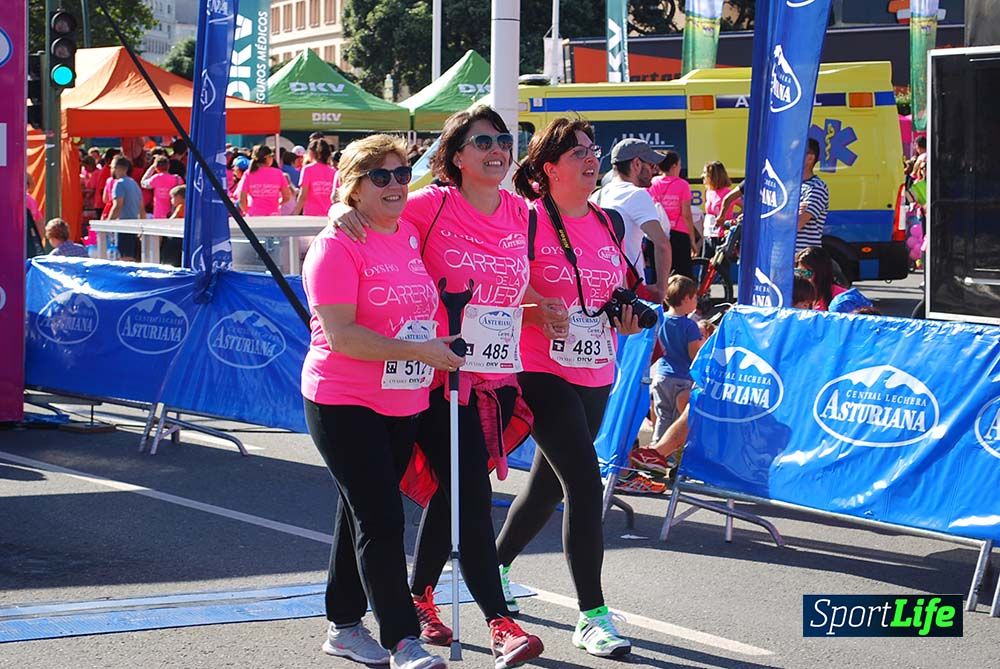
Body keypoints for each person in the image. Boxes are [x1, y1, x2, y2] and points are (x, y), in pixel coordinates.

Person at [331, 107, 547, 669]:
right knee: (418, 502)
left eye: (503, 140)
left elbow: (504, 291)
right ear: (455, 156)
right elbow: (370, 211)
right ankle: (489, 622)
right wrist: (338, 209)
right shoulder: (429, 205)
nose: (497, 149)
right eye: (483, 141)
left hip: (485, 377)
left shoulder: (521, 213)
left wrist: (539, 308)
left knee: (451, 496)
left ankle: (414, 603)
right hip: (421, 380)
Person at [303, 134, 460, 669]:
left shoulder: (406, 234)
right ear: (353, 187)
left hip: (402, 397)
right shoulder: (335, 245)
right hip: (343, 399)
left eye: (401, 174)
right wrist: (419, 350)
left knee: (361, 514)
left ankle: (344, 625)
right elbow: (342, 336)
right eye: (380, 176)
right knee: (382, 519)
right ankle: (403, 640)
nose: (395, 185)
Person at [494, 117, 639, 658]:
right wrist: (534, 308)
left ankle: (491, 568)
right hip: (539, 366)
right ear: (548, 167)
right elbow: (500, 285)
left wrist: (626, 315)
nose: (591, 158)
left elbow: (613, 291)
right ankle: (592, 616)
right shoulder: (525, 218)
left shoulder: (610, 221)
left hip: (596, 365)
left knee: (546, 487)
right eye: (577, 152)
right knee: (583, 481)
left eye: (593, 149)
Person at [630, 275, 705, 476]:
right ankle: (666, 457)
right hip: (682, 379)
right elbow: (693, 354)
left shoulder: (661, 319)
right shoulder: (689, 326)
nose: (697, 301)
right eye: (695, 297)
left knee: (662, 416)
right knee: (679, 420)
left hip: (661, 376)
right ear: (686, 298)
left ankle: (653, 452)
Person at [591, 138, 672, 302]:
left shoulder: (596, 196)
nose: (655, 171)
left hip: (599, 290)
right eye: (651, 165)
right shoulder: (636, 194)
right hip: (629, 292)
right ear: (636, 164)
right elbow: (662, 244)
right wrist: (661, 289)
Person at [648, 150, 695, 279]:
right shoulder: (683, 185)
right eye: (679, 165)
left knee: (659, 275)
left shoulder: (652, 183)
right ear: (674, 166)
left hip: (657, 234)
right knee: (682, 276)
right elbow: (686, 214)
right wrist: (692, 240)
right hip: (678, 235)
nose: (680, 168)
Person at [237, 145, 292, 217]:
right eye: (272, 156)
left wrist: (248, 211)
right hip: (273, 215)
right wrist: (278, 203)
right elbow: (287, 196)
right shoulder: (278, 173)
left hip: (254, 215)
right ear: (267, 158)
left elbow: (242, 200)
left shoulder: (248, 174)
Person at [107, 156, 143, 261]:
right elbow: (141, 208)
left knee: (124, 258)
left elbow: (117, 206)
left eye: (112, 167)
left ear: (117, 168)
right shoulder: (134, 183)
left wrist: (108, 223)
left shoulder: (119, 184)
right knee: (132, 258)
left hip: (124, 226)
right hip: (134, 225)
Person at [797, 137, 829, 252]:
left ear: (810, 158)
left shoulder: (816, 187)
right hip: (780, 256)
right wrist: (793, 211)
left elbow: (797, 223)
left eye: (794, 153)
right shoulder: (787, 186)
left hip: (801, 258)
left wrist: (778, 213)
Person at [702, 161, 737, 254]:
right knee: (705, 262)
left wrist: (734, 220)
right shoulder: (708, 191)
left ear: (714, 176)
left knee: (720, 263)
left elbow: (744, 205)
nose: (703, 175)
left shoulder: (727, 192)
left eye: (705, 173)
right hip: (708, 234)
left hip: (722, 235)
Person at [294, 139, 337, 216]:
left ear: (312, 153)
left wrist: (295, 214)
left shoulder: (307, 169)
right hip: (329, 215)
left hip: (311, 215)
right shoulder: (334, 172)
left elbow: (303, 195)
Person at [795, 246, 844, 311]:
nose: (802, 277)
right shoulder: (791, 291)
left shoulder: (841, 296)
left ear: (821, 273)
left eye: (807, 273)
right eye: (799, 272)